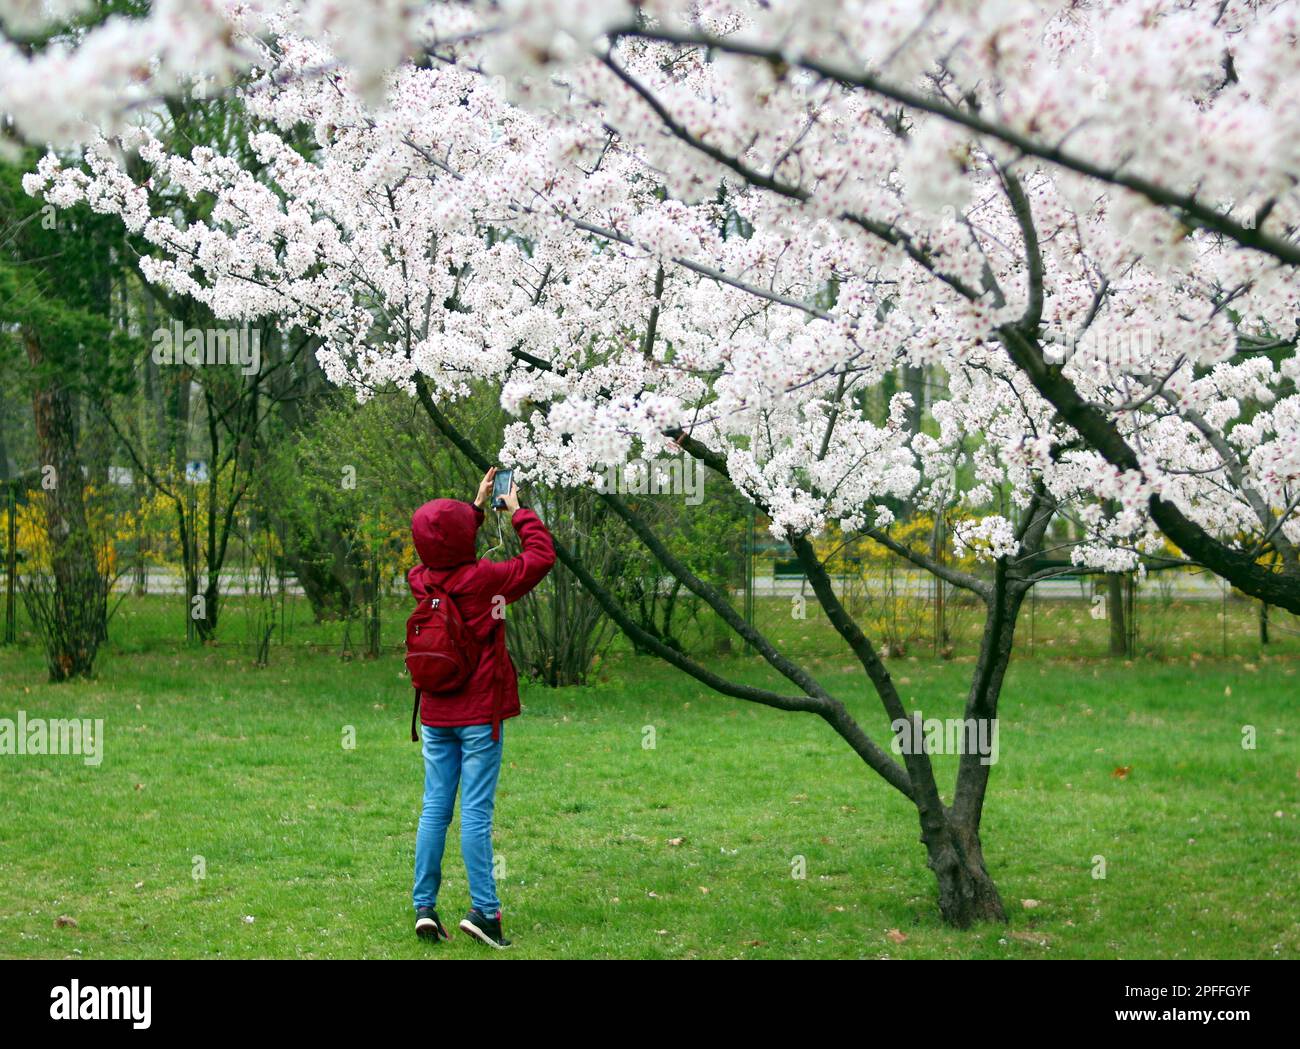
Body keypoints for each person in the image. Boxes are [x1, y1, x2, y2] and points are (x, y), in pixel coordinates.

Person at [408, 467, 555, 948]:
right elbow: (541, 557)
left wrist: (470, 512)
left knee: (435, 809)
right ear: (463, 539)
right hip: (478, 717)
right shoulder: (487, 581)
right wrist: (517, 512)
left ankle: (424, 907)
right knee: (474, 813)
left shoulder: (419, 580)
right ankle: (484, 913)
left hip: (435, 715)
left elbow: (440, 549)